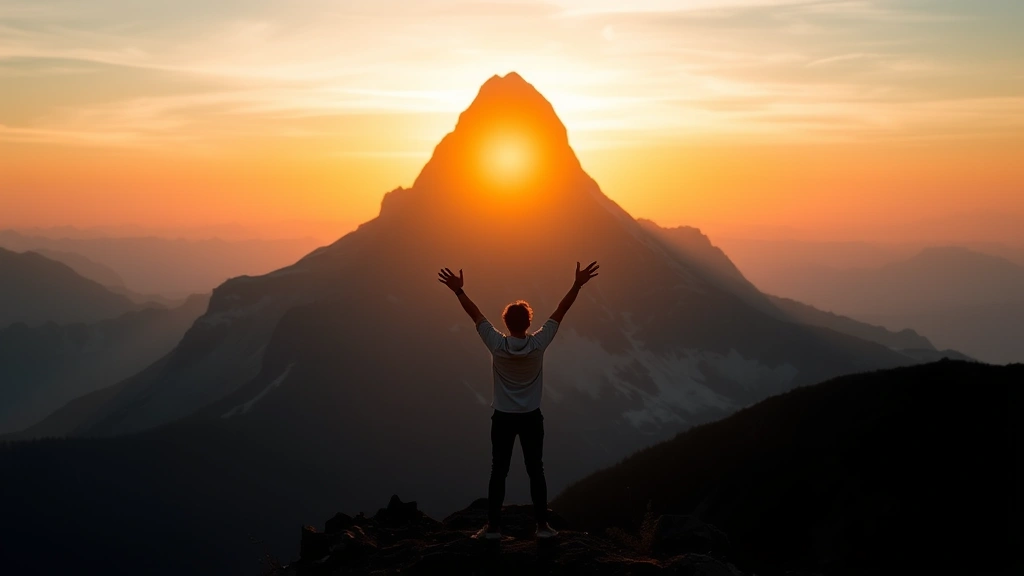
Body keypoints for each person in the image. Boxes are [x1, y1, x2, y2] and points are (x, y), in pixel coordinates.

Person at [437, 261, 600, 541]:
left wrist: (458, 292)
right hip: (531, 417)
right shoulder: (539, 344)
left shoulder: (496, 344)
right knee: (536, 470)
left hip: (502, 417)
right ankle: (542, 527)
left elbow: (474, 314)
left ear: (505, 323)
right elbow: (561, 311)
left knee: (498, 471)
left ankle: (494, 528)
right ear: (529, 323)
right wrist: (577, 284)